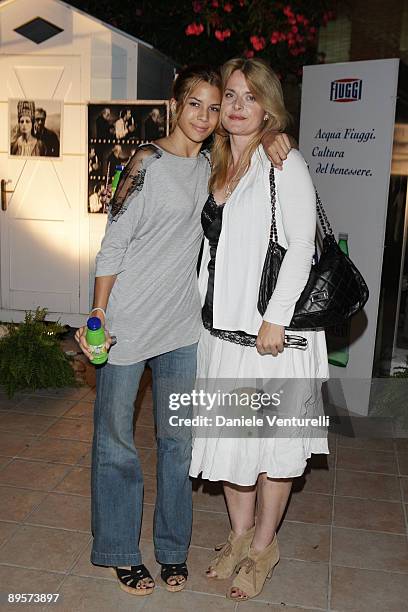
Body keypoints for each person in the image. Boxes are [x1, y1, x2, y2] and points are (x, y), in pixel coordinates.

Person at [75, 64, 291, 598]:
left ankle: (172, 550)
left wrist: (276, 134)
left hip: (181, 330)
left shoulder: (213, 167)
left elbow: (255, 144)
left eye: (214, 107)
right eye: (196, 103)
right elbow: (113, 243)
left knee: (178, 443)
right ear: (176, 104)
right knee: (117, 443)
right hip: (126, 325)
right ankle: (122, 552)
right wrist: (97, 315)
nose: (205, 115)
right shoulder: (145, 161)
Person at [189, 58, 329, 601]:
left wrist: (276, 315)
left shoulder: (283, 162)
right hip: (222, 337)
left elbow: (302, 245)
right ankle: (240, 536)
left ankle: (264, 547)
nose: (237, 105)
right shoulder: (217, 164)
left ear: (269, 106)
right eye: (230, 96)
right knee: (232, 450)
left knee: (273, 449)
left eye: (250, 97)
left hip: (271, 341)